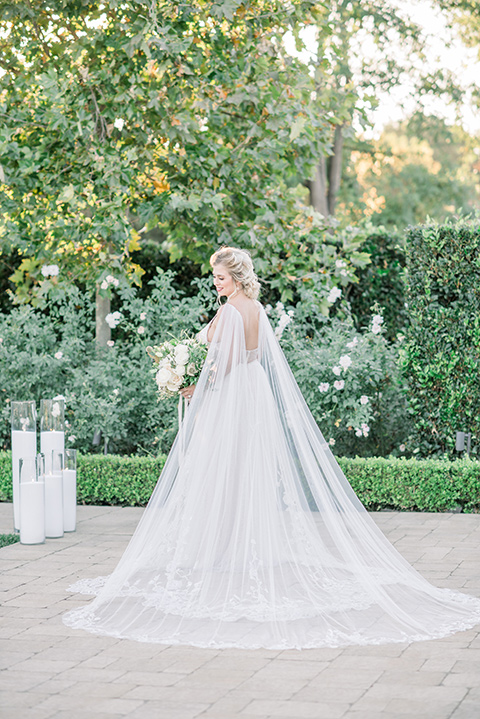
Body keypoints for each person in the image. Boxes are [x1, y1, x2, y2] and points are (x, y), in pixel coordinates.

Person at [63, 247, 480, 650]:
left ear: (237, 277)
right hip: (253, 391)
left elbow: (221, 365)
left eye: (221, 277)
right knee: (246, 468)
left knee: (220, 469)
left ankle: (221, 546)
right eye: (214, 277)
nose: (216, 283)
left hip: (228, 395)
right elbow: (255, 354)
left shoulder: (229, 311)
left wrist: (194, 387)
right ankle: (235, 544)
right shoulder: (257, 310)